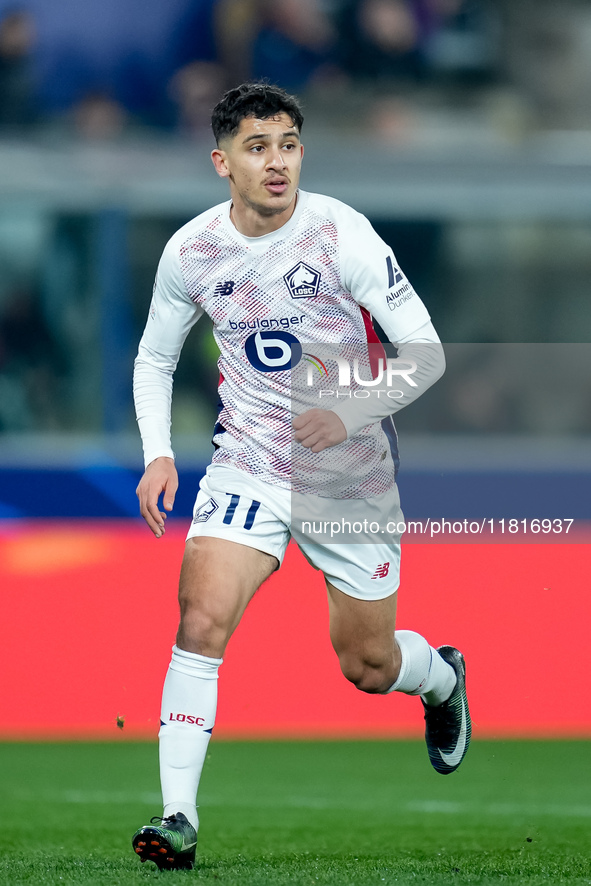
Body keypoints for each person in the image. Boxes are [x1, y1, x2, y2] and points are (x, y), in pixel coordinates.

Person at [131, 81, 471, 872]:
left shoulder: (339, 234)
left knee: (367, 665)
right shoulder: (192, 251)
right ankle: (176, 817)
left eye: (287, 143)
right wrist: (156, 451)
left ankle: (439, 679)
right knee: (200, 620)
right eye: (257, 147)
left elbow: (425, 352)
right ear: (223, 162)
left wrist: (350, 414)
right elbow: (154, 356)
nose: (276, 161)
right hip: (246, 461)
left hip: (346, 473)